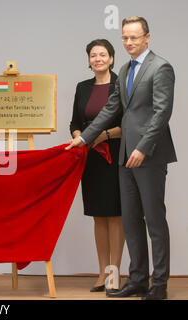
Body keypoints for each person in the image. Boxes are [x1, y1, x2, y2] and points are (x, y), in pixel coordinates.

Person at [66, 16, 176, 300]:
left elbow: (161, 113)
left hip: (148, 155)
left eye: (135, 37)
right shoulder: (125, 68)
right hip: (125, 156)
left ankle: (159, 285)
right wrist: (83, 138)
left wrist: (143, 147)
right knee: (130, 221)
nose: (129, 42)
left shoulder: (160, 67)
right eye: (125, 37)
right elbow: (109, 110)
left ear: (147, 37)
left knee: (154, 221)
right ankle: (137, 280)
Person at [70, 39, 125, 293]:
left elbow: (128, 124)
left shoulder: (122, 85)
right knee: (98, 216)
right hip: (90, 157)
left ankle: (115, 273)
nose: (98, 59)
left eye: (103, 54)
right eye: (94, 55)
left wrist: (104, 136)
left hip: (114, 155)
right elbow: (75, 123)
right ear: (89, 60)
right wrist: (80, 134)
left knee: (115, 215)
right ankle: (102, 273)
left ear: (112, 59)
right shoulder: (82, 87)